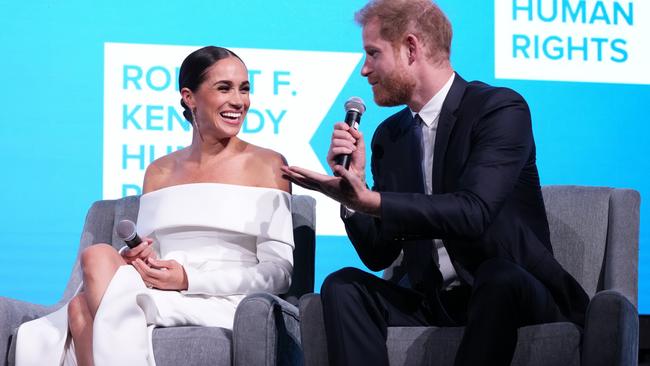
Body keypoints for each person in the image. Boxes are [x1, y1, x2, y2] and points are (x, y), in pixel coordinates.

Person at [281, 1, 589, 365]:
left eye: (372, 54)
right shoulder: (389, 136)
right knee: (343, 284)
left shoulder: (499, 110)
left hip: (514, 290)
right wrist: (353, 193)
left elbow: (473, 212)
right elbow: (378, 253)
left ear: (411, 48)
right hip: (436, 298)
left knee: (498, 277)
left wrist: (372, 201)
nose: (364, 70)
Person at [15, 46, 295, 366]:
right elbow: (151, 253)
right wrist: (139, 259)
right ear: (189, 97)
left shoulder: (268, 165)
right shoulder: (159, 171)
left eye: (244, 89)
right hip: (160, 289)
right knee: (98, 257)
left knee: (83, 311)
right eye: (224, 88)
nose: (239, 101)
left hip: (225, 298)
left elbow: (279, 274)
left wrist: (188, 279)